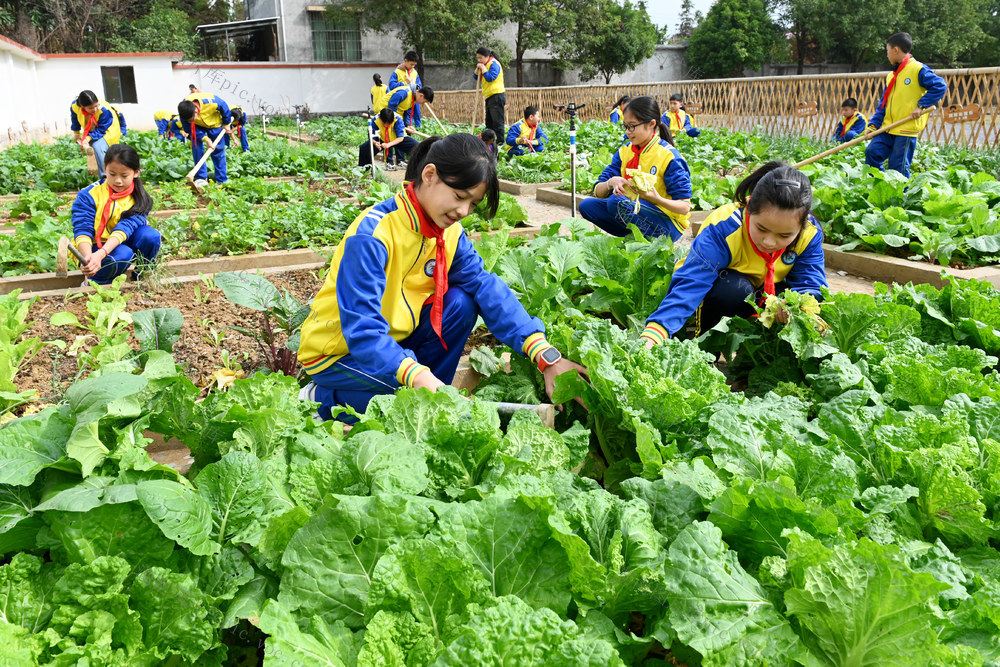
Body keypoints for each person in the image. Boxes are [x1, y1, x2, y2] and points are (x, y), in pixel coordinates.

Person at [297, 133, 587, 422]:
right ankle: (321, 399)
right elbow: (363, 332)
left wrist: (545, 355)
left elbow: (484, 286)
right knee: (405, 397)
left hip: (394, 341)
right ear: (430, 174)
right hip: (341, 352)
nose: (463, 211)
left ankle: (431, 390)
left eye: (473, 204)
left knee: (461, 303)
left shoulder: (448, 233)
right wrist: (417, 376)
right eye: (460, 196)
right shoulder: (373, 235)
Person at [640, 161, 826, 345]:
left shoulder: (809, 234)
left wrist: (793, 305)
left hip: (767, 297)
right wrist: (655, 332)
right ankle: (707, 344)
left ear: (804, 222)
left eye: (784, 235)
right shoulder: (724, 226)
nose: (769, 242)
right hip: (725, 291)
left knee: (798, 301)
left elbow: (811, 285)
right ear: (749, 206)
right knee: (733, 289)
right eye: (761, 228)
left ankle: (761, 344)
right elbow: (692, 283)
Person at [579, 96, 692, 241]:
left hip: (668, 223)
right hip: (632, 209)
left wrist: (656, 199)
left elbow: (684, 206)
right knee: (588, 206)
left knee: (616, 202)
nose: (628, 131)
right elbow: (598, 192)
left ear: (651, 124)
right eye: (625, 126)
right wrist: (610, 182)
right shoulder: (624, 151)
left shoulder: (669, 156)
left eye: (632, 126)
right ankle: (633, 239)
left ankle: (648, 241)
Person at [71, 143, 160, 285]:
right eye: (112, 174)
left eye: (124, 175)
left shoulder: (139, 198)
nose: (118, 181)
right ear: (105, 169)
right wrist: (89, 258)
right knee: (123, 254)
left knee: (151, 236)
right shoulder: (89, 194)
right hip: (93, 246)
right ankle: (95, 280)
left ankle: (143, 274)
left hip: (117, 241)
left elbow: (125, 228)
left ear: (136, 173)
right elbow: (83, 229)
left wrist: (101, 254)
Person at [865, 32, 947, 178]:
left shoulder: (918, 69)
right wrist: (873, 125)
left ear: (895, 50)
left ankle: (900, 198)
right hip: (888, 127)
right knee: (872, 152)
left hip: (905, 129)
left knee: (898, 167)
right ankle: (877, 186)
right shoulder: (891, 76)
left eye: (887, 51)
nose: (887, 55)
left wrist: (921, 105)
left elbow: (940, 86)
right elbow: (883, 104)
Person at [178, 91, 232, 186]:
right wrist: (205, 139)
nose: (189, 121)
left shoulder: (212, 102)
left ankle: (221, 179)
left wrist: (226, 123)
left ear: (196, 111)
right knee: (197, 148)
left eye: (191, 119)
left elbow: (225, 107)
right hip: (197, 127)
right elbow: (189, 129)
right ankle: (201, 178)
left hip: (215, 123)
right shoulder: (185, 112)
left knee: (218, 151)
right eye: (188, 120)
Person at [69, 90, 122, 179]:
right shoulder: (75, 106)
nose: (94, 109)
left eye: (96, 106)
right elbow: (75, 118)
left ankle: (105, 177)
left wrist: (88, 138)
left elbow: (102, 129)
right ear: (82, 106)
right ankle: (109, 174)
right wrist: (76, 133)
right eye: (90, 108)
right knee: (97, 147)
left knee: (97, 147)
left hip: (109, 128)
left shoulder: (103, 110)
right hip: (93, 128)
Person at [474, 46, 506, 141]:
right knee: (489, 123)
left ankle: (500, 143)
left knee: (497, 123)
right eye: (478, 58)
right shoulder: (485, 65)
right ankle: (489, 142)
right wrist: (477, 70)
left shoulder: (494, 64)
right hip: (489, 96)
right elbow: (476, 77)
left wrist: (483, 69)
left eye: (481, 58)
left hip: (497, 95)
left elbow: (490, 78)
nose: (479, 60)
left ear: (487, 56)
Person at [388, 52, 422, 124]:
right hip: (400, 102)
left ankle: (416, 129)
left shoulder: (415, 73)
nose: (413, 66)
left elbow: (420, 87)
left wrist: (413, 85)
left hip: (411, 101)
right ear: (406, 61)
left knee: (412, 119)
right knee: (399, 123)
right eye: (411, 64)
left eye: (414, 65)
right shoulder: (397, 72)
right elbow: (391, 86)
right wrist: (404, 83)